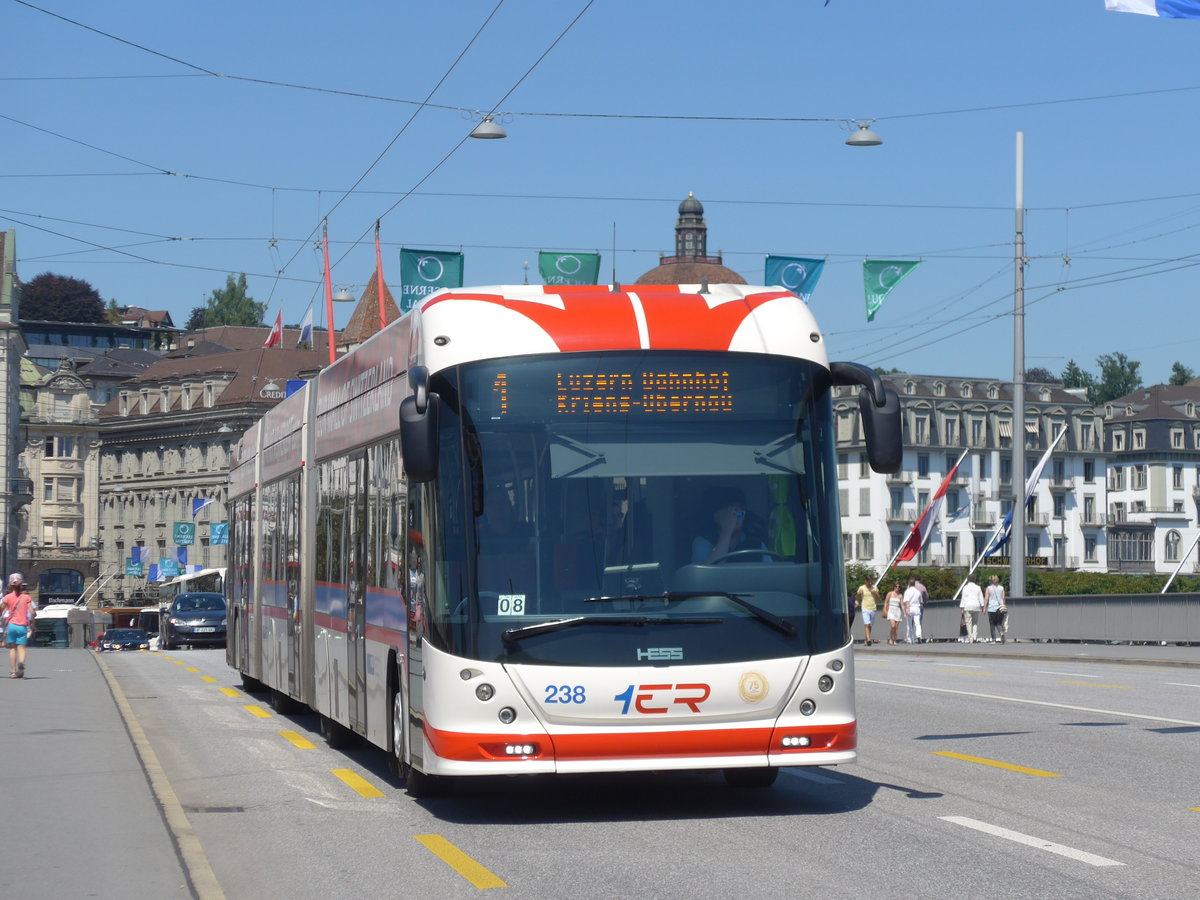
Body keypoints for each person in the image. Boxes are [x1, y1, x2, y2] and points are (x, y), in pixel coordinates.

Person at [692, 488, 768, 565]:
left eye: (740, 513)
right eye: (730, 514)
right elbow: (708, 574)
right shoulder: (703, 542)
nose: (734, 518)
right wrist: (726, 531)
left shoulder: (757, 544)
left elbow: (770, 573)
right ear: (716, 516)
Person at [3, 573, 36, 678]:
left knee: (12, 649)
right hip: (22, 626)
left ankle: (13, 672)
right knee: (22, 647)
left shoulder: (7, 597)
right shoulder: (26, 597)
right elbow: (32, 612)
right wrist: (32, 620)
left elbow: (1, 609)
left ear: (10, 585)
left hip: (11, 625)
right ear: (21, 584)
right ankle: (21, 663)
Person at [854, 575, 880, 646]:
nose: (870, 583)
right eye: (869, 582)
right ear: (866, 581)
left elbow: (878, 598)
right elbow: (856, 597)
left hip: (873, 608)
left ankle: (866, 640)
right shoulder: (861, 588)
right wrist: (859, 594)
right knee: (867, 624)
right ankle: (868, 639)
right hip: (865, 608)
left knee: (870, 625)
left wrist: (875, 593)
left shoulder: (874, 588)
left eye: (871, 582)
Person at [959, 573, 985, 643]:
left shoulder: (965, 588)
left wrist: (962, 608)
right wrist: (982, 606)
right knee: (975, 622)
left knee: (968, 622)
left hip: (967, 606)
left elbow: (963, 598)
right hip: (976, 606)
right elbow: (981, 598)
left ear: (968, 580)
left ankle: (970, 638)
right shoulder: (978, 587)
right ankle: (975, 636)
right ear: (974, 579)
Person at [986, 575, 1007, 643]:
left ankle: (994, 639)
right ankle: (1001, 633)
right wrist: (1003, 605)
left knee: (992, 624)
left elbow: (986, 598)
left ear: (991, 581)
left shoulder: (988, 588)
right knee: (999, 623)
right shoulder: (1001, 588)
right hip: (1000, 607)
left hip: (991, 608)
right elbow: (1003, 598)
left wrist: (984, 608)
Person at [902, 577, 925, 644]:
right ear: (914, 584)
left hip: (910, 608)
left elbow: (907, 602)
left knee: (909, 625)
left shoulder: (907, 591)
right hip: (917, 608)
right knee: (917, 623)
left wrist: (908, 611)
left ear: (909, 584)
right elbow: (921, 601)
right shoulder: (918, 592)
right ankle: (919, 636)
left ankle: (910, 639)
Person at [884, 580, 904, 645]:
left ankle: (894, 640)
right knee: (893, 626)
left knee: (896, 628)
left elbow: (902, 605)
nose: (897, 588)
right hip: (891, 610)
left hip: (897, 611)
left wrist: (904, 613)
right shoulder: (890, 593)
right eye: (896, 586)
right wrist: (885, 610)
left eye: (899, 587)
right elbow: (886, 602)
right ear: (894, 587)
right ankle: (891, 639)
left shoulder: (900, 595)